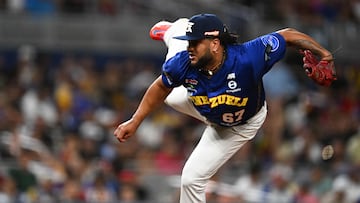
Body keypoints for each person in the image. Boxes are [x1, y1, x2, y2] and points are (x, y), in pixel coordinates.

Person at [114, 13, 336, 203]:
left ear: (215, 43)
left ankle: (175, 30)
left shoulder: (248, 57)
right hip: (202, 104)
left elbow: (287, 35)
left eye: (195, 42)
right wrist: (135, 121)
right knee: (171, 90)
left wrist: (325, 54)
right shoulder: (186, 61)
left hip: (239, 125)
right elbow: (159, 87)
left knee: (191, 178)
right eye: (189, 42)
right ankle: (174, 31)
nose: (190, 47)